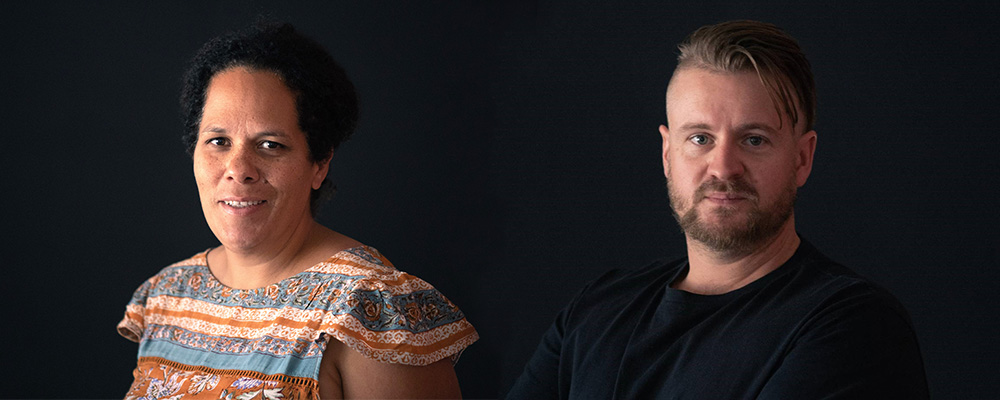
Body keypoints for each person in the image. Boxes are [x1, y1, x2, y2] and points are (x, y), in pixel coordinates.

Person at [507, 20, 928, 399]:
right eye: (700, 139)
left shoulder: (854, 327)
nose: (724, 167)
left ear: (802, 159)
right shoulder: (598, 309)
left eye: (755, 139)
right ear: (668, 154)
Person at [117, 22, 478, 399]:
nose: (238, 168)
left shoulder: (368, 309)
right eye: (218, 141)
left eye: (271, 145)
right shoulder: (168, 296)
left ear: (319, 163)